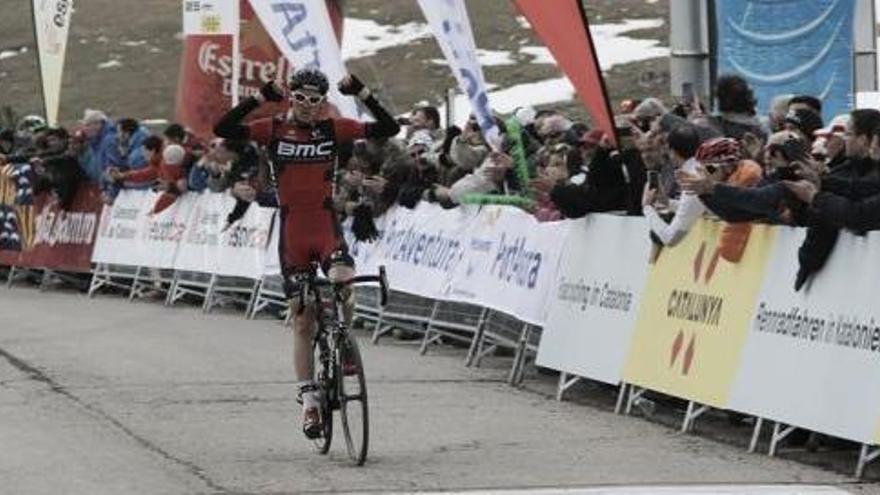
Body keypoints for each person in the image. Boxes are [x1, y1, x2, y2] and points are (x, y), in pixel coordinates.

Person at [213, 68, 399, 439]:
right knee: (302, 318)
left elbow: (389, 129)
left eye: (316, 101)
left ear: (323, 102)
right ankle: (310, 402)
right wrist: (261, 95)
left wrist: (362, 91)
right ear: (292, 97)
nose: (308, 107)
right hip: (293, 233)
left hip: (325, 226)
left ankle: (344, 342)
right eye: (301, 99)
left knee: (343, 280)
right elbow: (223, 128)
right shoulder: (273, 129)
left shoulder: (334, 128)